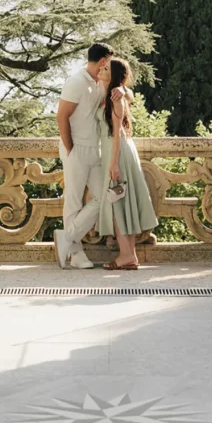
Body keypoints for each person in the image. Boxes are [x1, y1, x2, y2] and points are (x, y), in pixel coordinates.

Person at [53, 42, 114, 269]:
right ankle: (77, 254)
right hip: (76, 149)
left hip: (95, 150)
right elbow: (61, 116)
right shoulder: (76, 82)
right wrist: (70, 148)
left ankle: (67, 237)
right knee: (74, 200)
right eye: (108, 63)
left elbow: (104, 107)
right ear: (102, 61)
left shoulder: (99, 83)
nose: (109, 67)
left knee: (103, 198)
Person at [96, 57, 158, 270]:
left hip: (118, 152)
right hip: (118, 151)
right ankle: (129, 256)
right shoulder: (113, 94)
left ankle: (126, 256)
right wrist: (124, 90)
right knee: (123, 203)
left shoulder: (115, 98)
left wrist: (113, 163)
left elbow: (116, 134)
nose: (101, 69)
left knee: (118, 203)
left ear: (112, 75)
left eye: (105, 68)